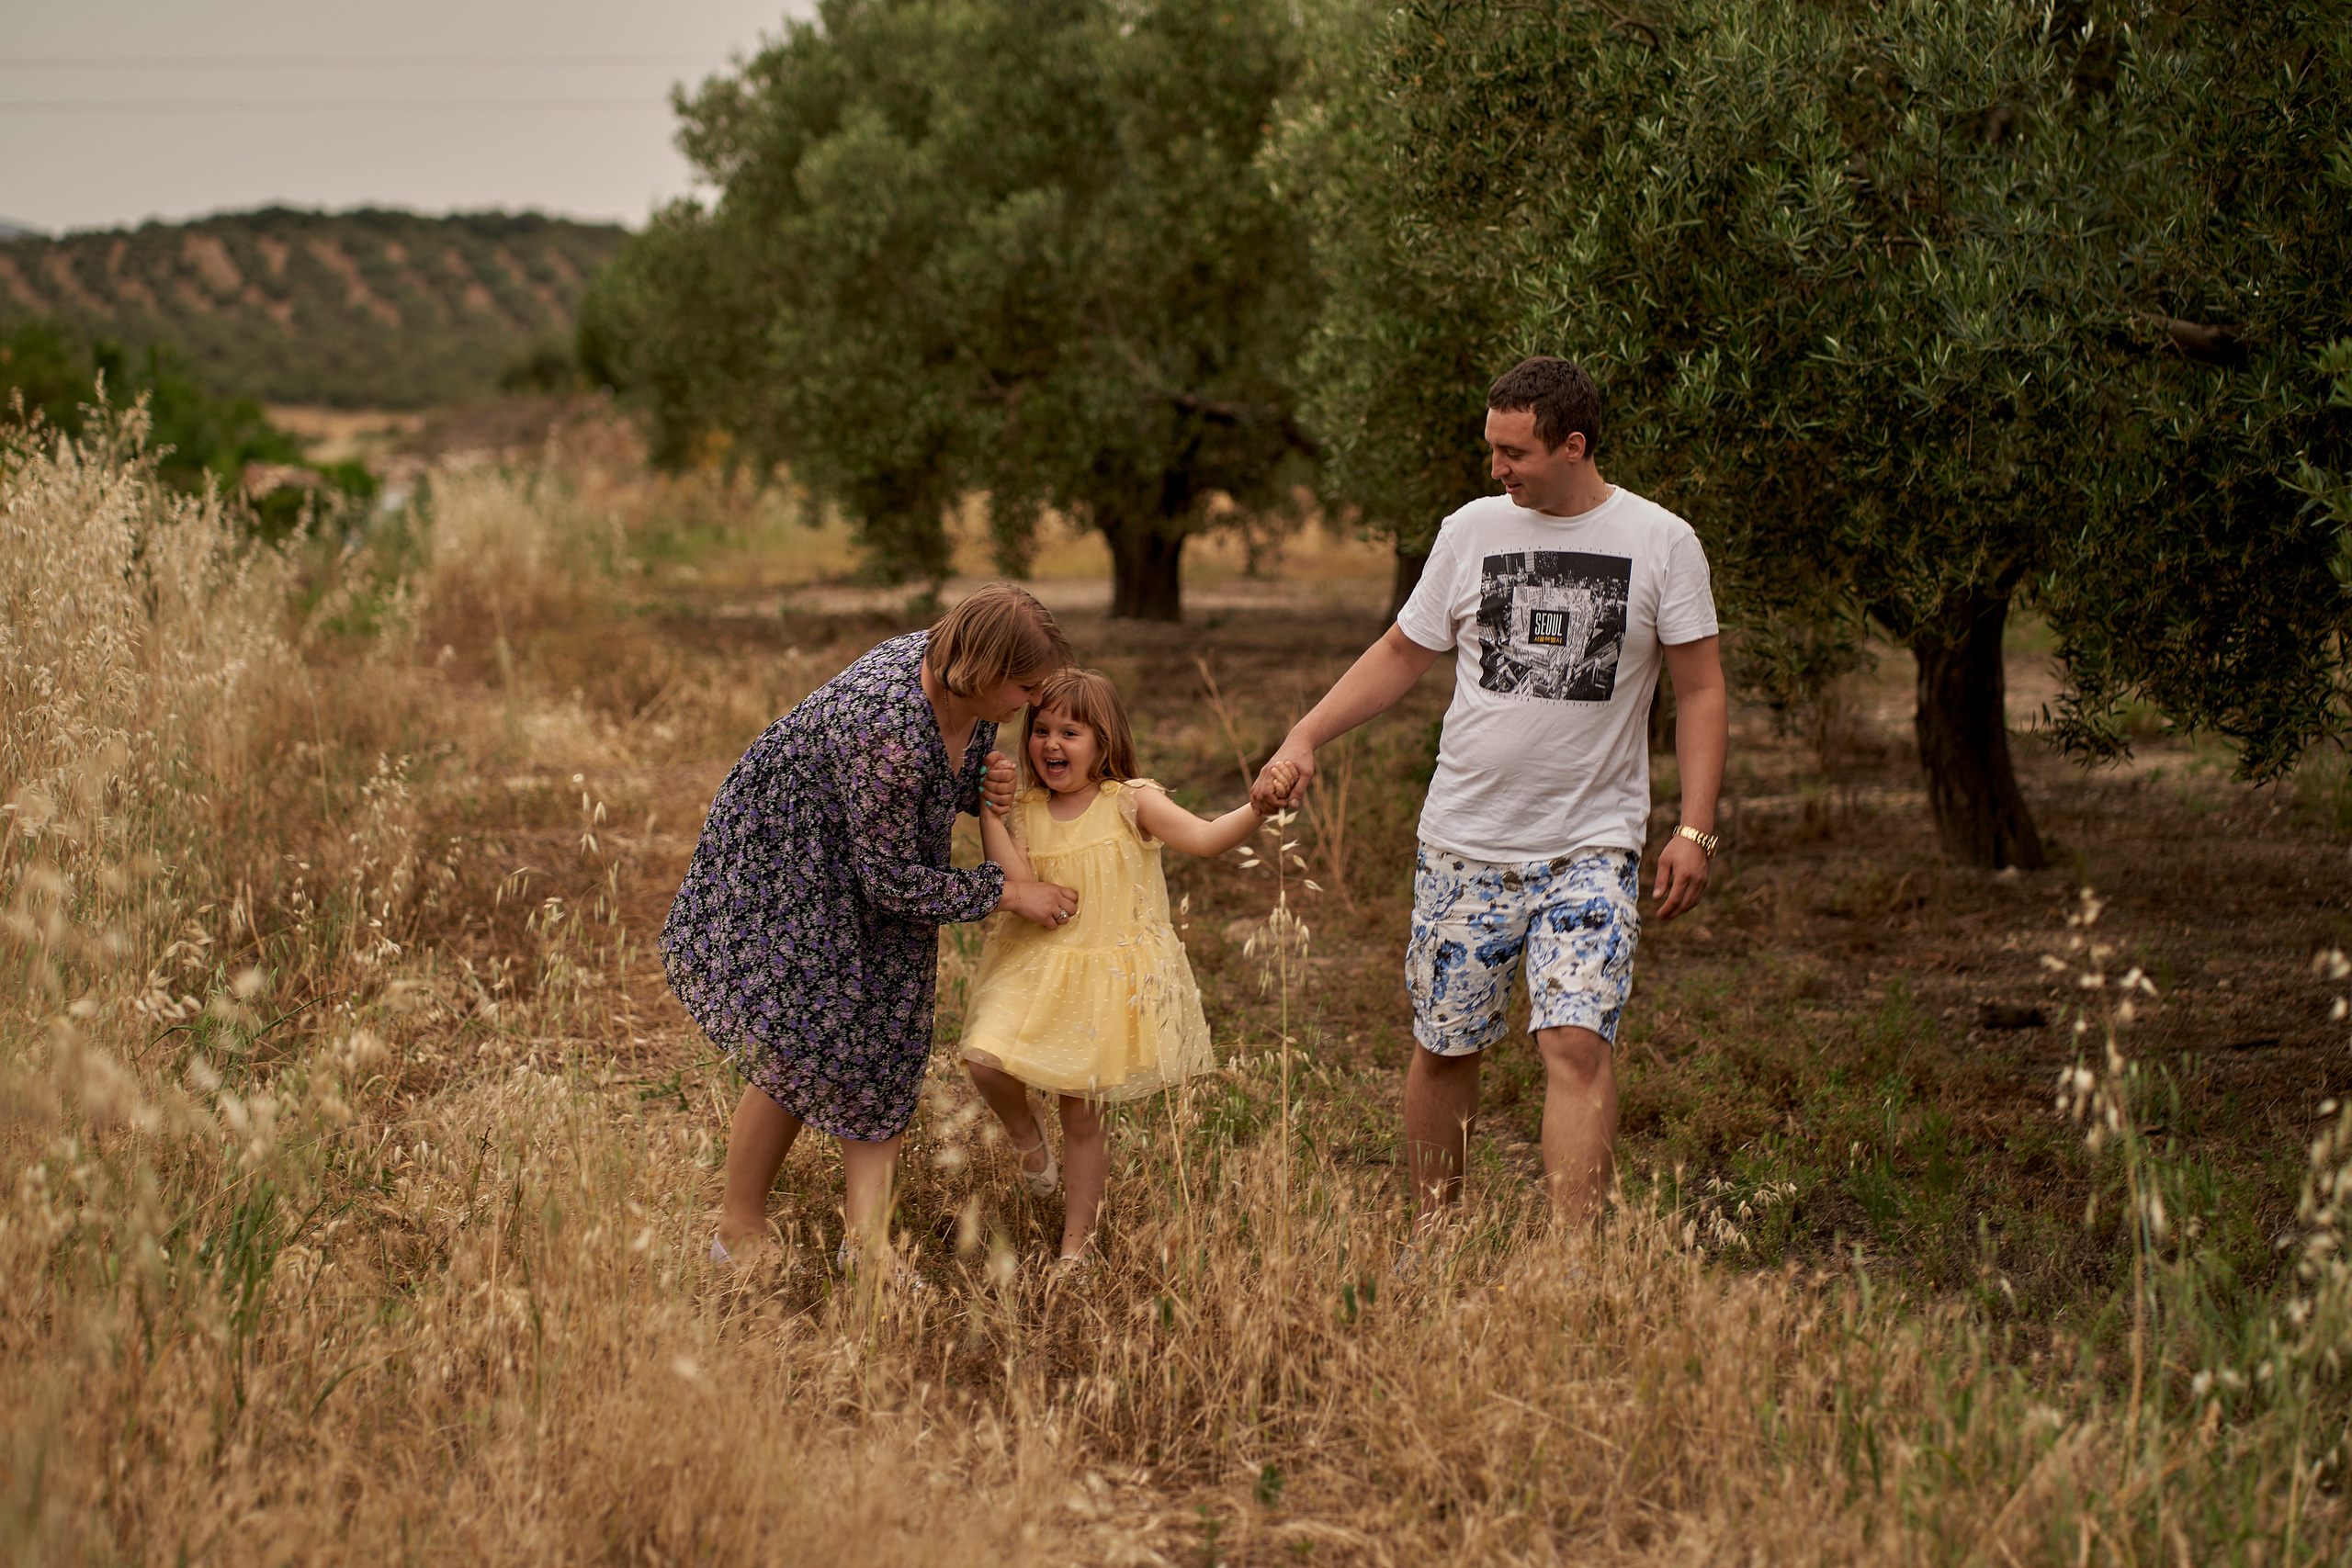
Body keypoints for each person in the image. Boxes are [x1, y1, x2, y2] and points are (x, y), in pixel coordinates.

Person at [1251, 356, 1728, 1229]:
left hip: (1593, 843)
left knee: (1577, 1043)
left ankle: (1571, 1267)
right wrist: (1305, 734)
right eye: (1492, 450)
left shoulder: (1662, 542)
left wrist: (1694, 830)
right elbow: (1401, 652)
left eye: (1514, 452)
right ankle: (1433, 1234)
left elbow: (1700, 688)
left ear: (1573, 445)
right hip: (1464, 844)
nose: (1497, 469)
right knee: (1446, 1046)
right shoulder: (1471, 531)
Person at [662, 583, 1080, 1272]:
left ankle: (868, 1248)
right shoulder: (886, 728)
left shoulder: (967, 690)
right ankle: (736, 1235)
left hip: (866, 859)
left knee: (888, 1033)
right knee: (801, 1037)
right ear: (982, 670)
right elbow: (888, 882)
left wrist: (984, 781)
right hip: (793, 861)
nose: (1032, 704)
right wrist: (1006, 891)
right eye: (1026, 687)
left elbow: (951, 782)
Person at [961, 668, 1297, 1269]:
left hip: (1100, 980)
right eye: (1040, 729)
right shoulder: (1029, 808)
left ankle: (1076, 1249)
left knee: (1082, 1110)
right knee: (983, 1058)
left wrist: (1256, 806)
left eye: (1070, 731)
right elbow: (1014, 880)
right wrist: (992, 808)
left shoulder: (1131, 801)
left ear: (1104, 742)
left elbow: (1205, 837)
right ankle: (1029, 1141)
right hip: (1032, 962)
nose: (1051, 744)